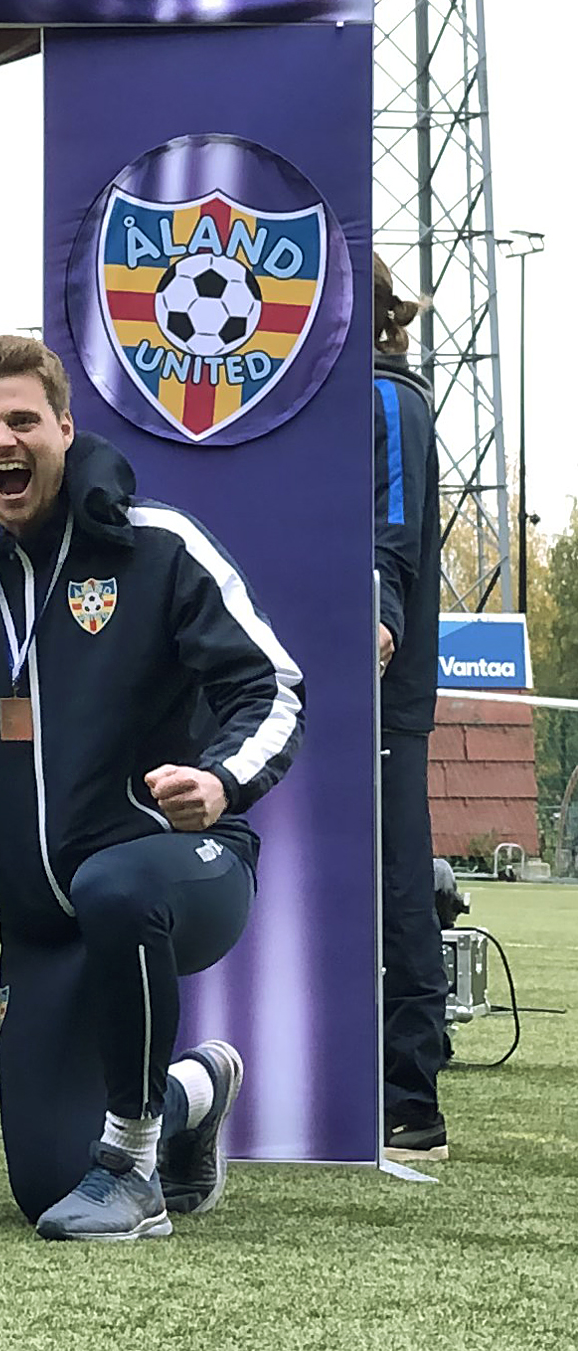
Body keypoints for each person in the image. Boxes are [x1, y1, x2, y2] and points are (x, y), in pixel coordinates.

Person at [0, 335, 299, 1240]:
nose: (2, 441)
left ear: (63, 426)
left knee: (114, 883)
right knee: (47, 1185)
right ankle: (191, 1092)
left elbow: (272, 688)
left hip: (178, 869)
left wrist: (219, 781)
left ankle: (133, 1167)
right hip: (37, 923)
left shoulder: (156, 544)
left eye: (22, 420)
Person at [370, 257, 450, 1161]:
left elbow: (391, 531)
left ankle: (411, 1098)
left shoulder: (389, 395)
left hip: (381, 691)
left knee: (396, 887)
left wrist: (380, 617)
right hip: (297, 684)